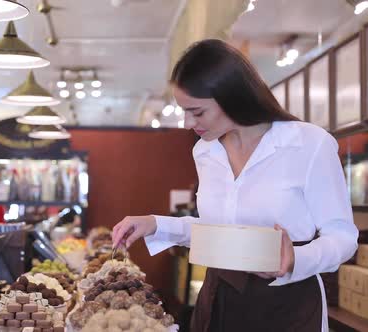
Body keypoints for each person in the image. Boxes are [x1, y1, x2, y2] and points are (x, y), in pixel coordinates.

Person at [112, 39, 358, 332]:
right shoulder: (205, 151)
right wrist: (154, 224)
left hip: (287, 303)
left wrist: (295, 260)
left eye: (198, 112)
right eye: (184, 111)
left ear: (233, 97)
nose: (188, 122)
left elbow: (343, 237)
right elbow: (218, 233)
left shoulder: (309, 144)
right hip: (218, 299)